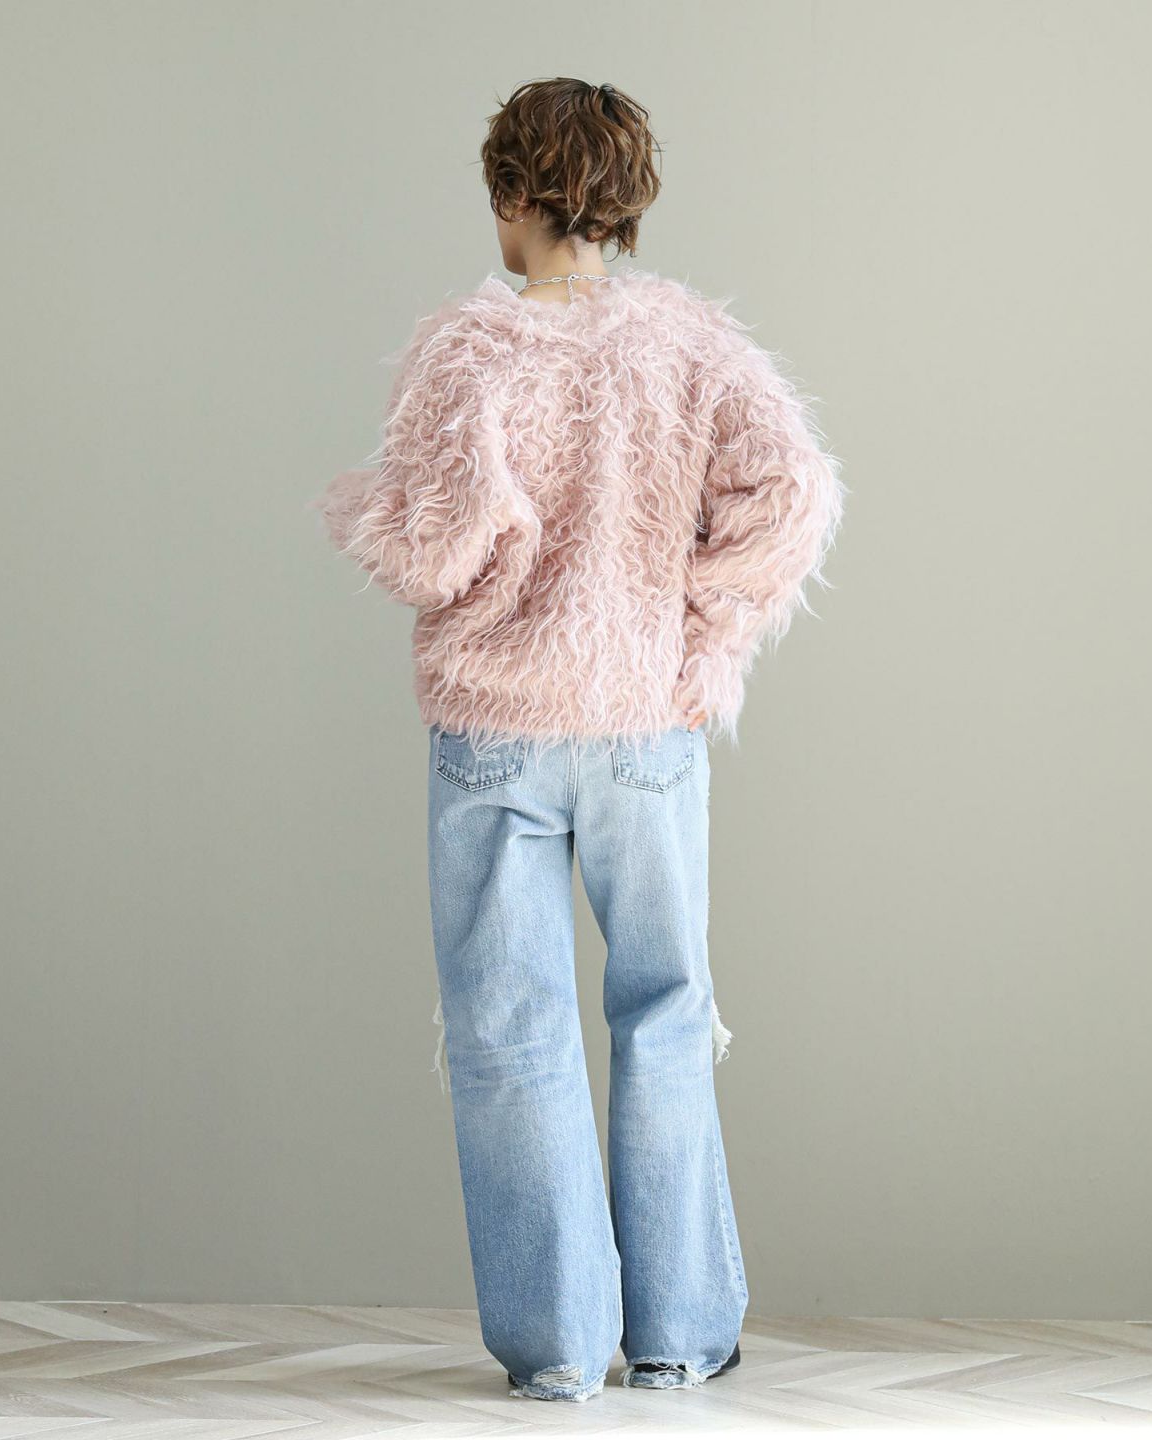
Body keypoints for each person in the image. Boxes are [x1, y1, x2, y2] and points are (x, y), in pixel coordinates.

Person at [314, 76, 844, 1403]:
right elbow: (793, 491)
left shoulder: (468, 352)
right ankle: (678, 1335)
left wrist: (374, 514)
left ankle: (557, 1349)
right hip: (644, 725)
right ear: (624, 201)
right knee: (665, 1011)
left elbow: (430, 549)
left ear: (512, 195)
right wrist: (699, 636)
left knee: (511, 1030)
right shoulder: (694, 346)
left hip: (494, 730)